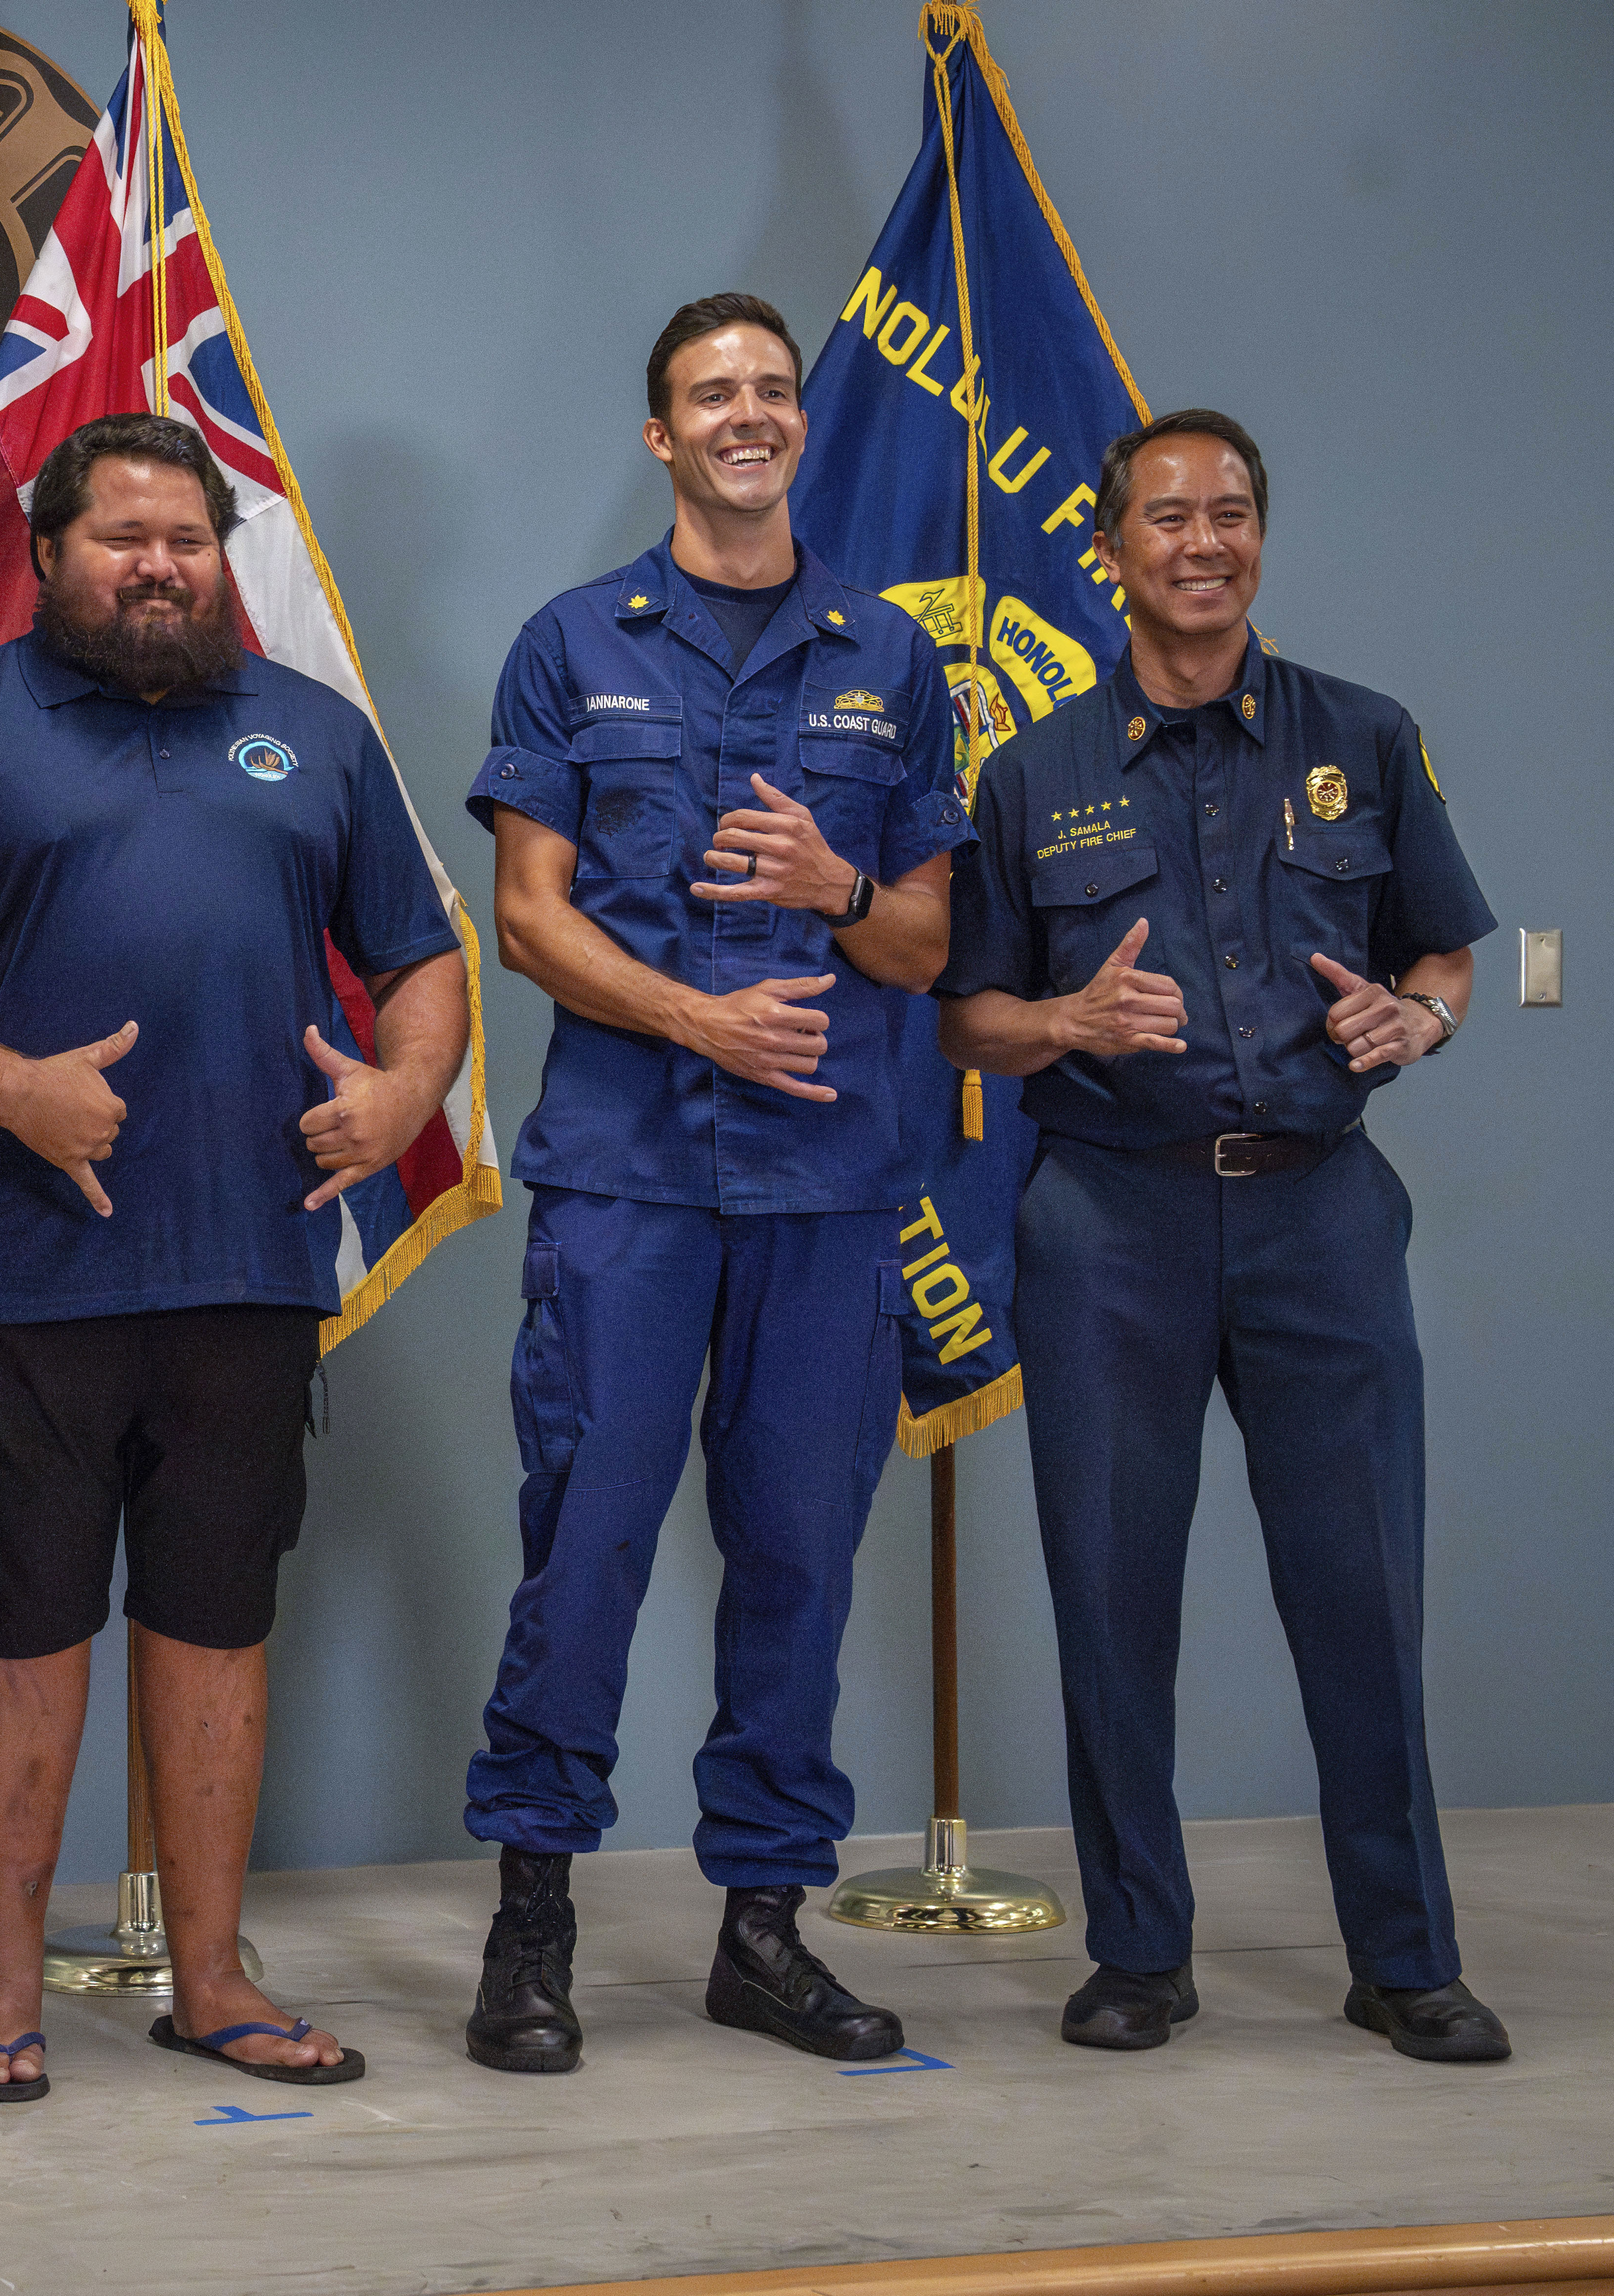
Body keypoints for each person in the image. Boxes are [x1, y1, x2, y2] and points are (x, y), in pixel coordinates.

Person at [0, 412, 467, 2101]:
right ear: (47, 553)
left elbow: (423, 959)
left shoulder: (313, 736)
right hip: (26, 1277)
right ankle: (5, 1990)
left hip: (248, 1269)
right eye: (125, 537)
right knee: (23, 1625)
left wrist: (405, 1091)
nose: (163, 565)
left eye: (189, 538)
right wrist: (10, 1092)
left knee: (216, 1620)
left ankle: (216, 1981)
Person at [935, 410, 1504, 2062]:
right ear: (1109, 547)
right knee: (1113, 1599)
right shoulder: (1033, 772)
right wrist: (1067, 1021)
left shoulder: (1365, 734)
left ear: (1263, 534)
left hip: (1322, 1221)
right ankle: (1138, 1952)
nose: (1205, 542)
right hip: (1110, 1223)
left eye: (1233, 513)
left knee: (1363, 1598)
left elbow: (1447, 954)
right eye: (1169, 517)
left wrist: (1423, 1022)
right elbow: (968, 1021)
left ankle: (1404, 1961)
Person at [458, 294, 970, 2075]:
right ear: (660, 435)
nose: (745, 416)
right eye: (708, 396)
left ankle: (765, 1930)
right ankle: (535, 1929)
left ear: (798, 425)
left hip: (827, 1189)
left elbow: (925, 944)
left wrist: (840, 882)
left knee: (799, 1563)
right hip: (630, 1180)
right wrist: (698, 1016)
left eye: (770, 390)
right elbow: (528, 920)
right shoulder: (573, 639)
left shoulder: (890, 660)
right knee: (583, 1549)